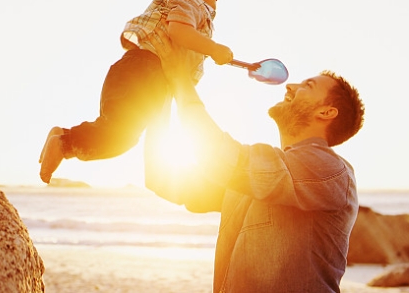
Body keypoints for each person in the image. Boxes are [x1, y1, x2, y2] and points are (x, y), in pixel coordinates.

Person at [144, 27, 365, 293]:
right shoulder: (257, 176)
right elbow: (162, 178)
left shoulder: (328, 169)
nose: (291, 86)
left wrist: (181, 79)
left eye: (308, 86)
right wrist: (163, 91)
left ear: (326, 111)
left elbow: (222, 157)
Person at [39, 0, 233, 184]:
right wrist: (213, 48)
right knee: (121, 137)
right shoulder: (191, 3)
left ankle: (64, 135)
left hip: (132, 68)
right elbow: (178, 32)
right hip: (146, 73)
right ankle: (63, 145)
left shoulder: (174, 3)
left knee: (113, 129)